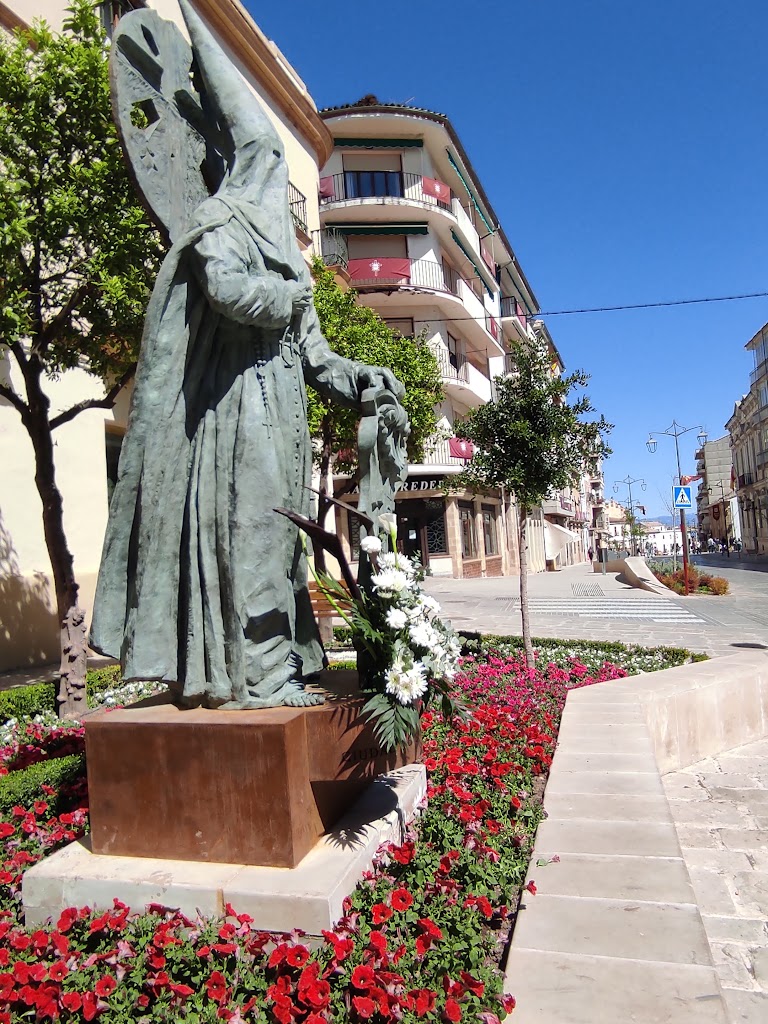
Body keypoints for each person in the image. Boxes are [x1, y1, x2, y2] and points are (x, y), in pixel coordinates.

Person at [90, 1, 406, 710]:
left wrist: (363, 380)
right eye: (263, 158)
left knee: (282, 543)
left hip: (287, 413)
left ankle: (274, 665)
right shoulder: (217, 223)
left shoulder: (290, 259)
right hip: (237, 411)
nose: (268, 172)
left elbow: (318, 356)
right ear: (244, 162)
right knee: (257, 535)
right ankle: (261, 677)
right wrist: (286, 299)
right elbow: (226, 292)